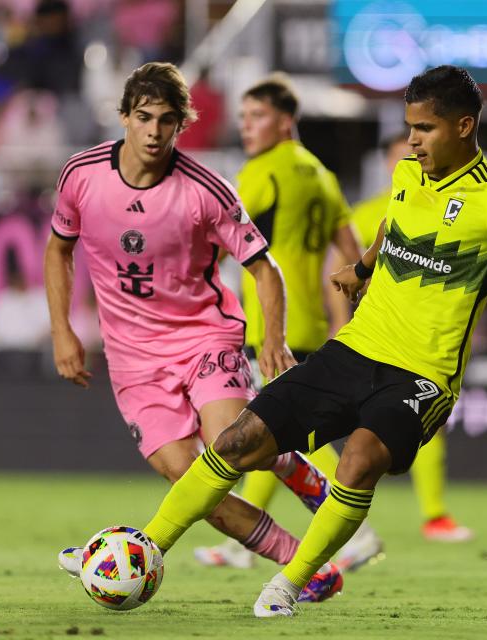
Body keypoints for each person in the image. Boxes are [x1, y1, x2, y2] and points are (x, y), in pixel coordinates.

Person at [130, 65, 487, 618]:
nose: (412, 141)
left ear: (465, 126)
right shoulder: (406, 174)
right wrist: (364, 265)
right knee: (237, 441)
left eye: (424, 129)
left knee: (357, 460)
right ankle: (145, 549)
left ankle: (290, 582)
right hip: (356, 348)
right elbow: (393, 224)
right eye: (409, 128)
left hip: (423, 373)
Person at [45, 62, 342, 602]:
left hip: (204, 336)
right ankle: (304, 563)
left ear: (183, 124)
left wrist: (272, 340)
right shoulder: (81, 175)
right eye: (144, 118)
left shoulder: (207, 190)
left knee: (228, 449)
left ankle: (290, 468)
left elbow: (262, 268)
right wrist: (63, 330)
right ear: (125, 117)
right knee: (190, 483)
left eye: (167, 121)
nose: (155, 132)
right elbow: (58, 248)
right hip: (132, 359)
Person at [195, 74, 385, 570]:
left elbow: (217, 237)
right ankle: (244, 541)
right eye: (242, 118)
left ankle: (356, 529)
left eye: (256, 117)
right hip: (309, 320)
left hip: (268, 322)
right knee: (271, 431)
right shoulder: (321, 174)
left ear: (285, 121)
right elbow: (353, 256)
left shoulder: (263, 170)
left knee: (283, 433)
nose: (246, 127)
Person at [350, 130, 473, 542]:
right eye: (399, 154)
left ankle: (434, 515)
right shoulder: (367, 215)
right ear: (388, 163)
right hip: (365, 336)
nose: (410, 157)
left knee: (426, 426)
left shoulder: (449, 210)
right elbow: (341, 272)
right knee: (319, 426)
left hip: (417, 342)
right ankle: (330, 509)